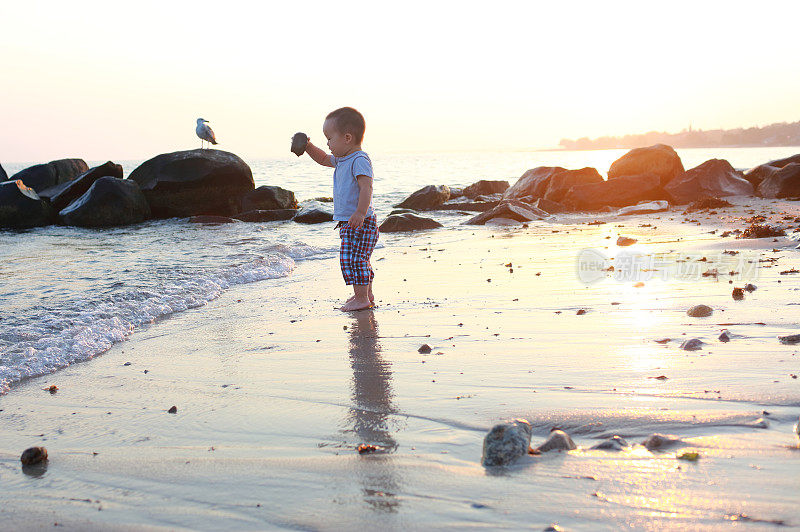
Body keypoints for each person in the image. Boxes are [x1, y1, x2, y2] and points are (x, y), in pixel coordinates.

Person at [302, 107, 378, 311]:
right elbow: (323, 158)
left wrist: (360, 212)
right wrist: (308, 146)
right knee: (358, 259)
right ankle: (365, 295)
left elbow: (366, 187)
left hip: (361, 221)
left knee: (353, 259)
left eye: (329, 138)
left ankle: (361, 298)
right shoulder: (343, 159)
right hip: (351, 221)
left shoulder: (359, 159)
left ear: (346, 137)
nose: (327, 143)